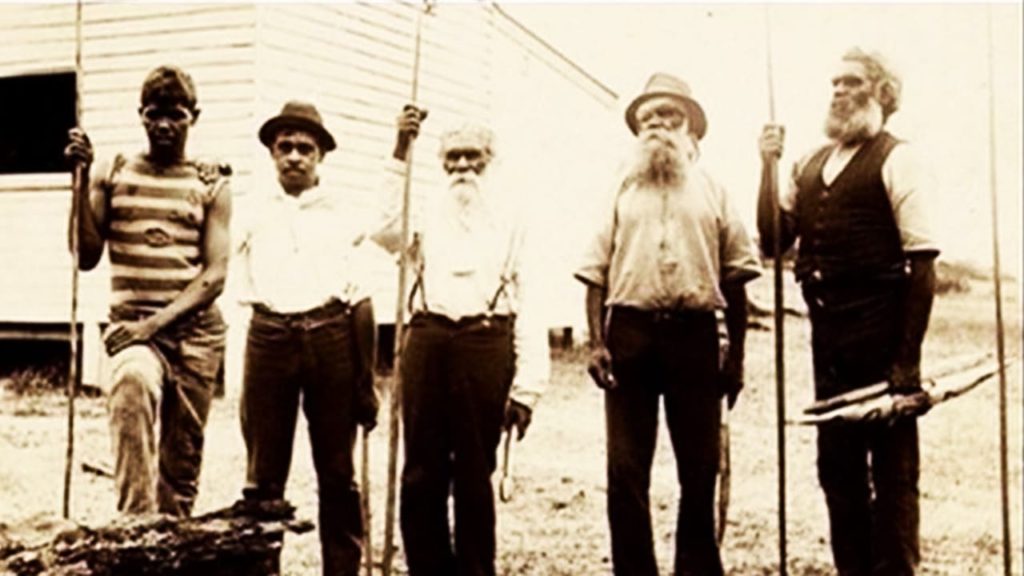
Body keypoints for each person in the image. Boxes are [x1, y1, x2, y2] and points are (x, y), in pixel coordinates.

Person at [758, 48, 939, 575]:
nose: (838, 90)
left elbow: (922, 264)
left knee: (893, 474)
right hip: (828, 341)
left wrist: (907, 364)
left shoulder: (897, 158)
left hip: (883, 338)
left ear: (882, 92)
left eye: (852, 81)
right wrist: (766, 165)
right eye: (834, 81)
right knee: (837, 471)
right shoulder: (809, 164)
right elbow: (772, 238)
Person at [575, 72, 761, 576]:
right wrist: (595, 344)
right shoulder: (618, 188)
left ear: (690, 129)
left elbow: (738, 278)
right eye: (647, 118)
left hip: (695, 338)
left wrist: (737, 359)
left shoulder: (715, 191)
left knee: (699, 470)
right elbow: (594, 271)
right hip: (629, 337)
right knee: (625, 471)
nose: (657, 125)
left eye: (669, 116)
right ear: (636, 130)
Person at [373, 106, 549, 576]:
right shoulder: (423, 208)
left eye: (473, 158)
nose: (463, 168)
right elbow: (383, 228)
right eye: (453, 158)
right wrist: (399, 150)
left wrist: (527, 387)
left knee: (474, 473)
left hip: (485, 340)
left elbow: (532, 298)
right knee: (421, 472)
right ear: (441, 163)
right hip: (428, 337)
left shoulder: (511, 217)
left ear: (490, 161)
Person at [64, 65, 231, 517]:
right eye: (154, 113)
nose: (164, 124)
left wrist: (151, 325)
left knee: (180, 466)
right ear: (140, 114)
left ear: (194, 116)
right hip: (136, 333)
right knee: (131, 384)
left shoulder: (211, 182)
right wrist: (79, 182)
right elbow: (85, 254)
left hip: (195, 335)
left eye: (175, 114)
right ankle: (134, 529)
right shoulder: (115, 172)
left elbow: (215, 277)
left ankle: (170, 547)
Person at [235, 100, 379, 575]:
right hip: (269, 337)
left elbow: (362, 300)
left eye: (305, 148)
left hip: (330, 337)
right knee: (263, 475)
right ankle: (261, 568)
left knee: (338, 472)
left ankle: (342, 569)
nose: (294, 156)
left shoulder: (343, 211)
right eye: (285, 147)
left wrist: (365, 379)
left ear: (321, 157)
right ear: (272, 154)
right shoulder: (251, 209)